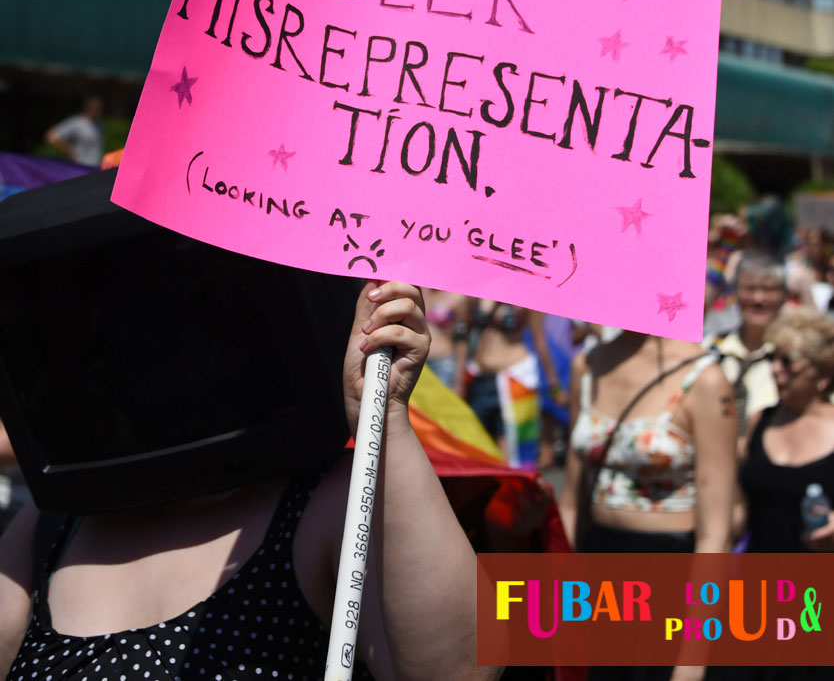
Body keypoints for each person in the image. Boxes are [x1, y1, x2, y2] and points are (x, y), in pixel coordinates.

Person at [0, 281, 496, 681]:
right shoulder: (52, 521)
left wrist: (385, 419)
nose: (169, 353)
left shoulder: (328, 500)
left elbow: (460, 671)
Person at [559, 331, 736, 681]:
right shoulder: (588, 365)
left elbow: (715, 534)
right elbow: (570, 500)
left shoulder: (704, 378)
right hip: (595, 571)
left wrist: (692, 657)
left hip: (669, 579)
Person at [737, 306, 834, 554]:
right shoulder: (760, 420)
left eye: (787, 361)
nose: (775, 369)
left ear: (823, 373)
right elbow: (739, 511)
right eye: (772, 359)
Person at [705, 251, 784, 442]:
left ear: (783, 295)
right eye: (749, 288)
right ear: (736, 293)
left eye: (769, 289)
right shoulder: (709, 349)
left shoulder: (791, 362)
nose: (758, 298)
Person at [463, 298, 545, 469]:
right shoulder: (479, 290)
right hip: (480, 377)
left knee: (513, 447)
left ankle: (511, 491)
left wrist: (554, 383)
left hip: (515, 377)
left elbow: (539, 339)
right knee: (475, 440)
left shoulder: (531, 294)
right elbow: (464, 333)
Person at [423, 288, 468, 391]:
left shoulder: (457, 297)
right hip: (416, 360)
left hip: (443, 361)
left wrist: (459, 379)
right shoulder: (418, 290)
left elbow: (462, 338)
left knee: (439, 404)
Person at [43, 96, 104, 167]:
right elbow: (50, 136)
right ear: (87, 107)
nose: (96, 110)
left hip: (94, 168)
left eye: (98, 108)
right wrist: (69, 151)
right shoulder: (77, 122)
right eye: (94, 107)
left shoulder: (100, 125)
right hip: (79, 167)